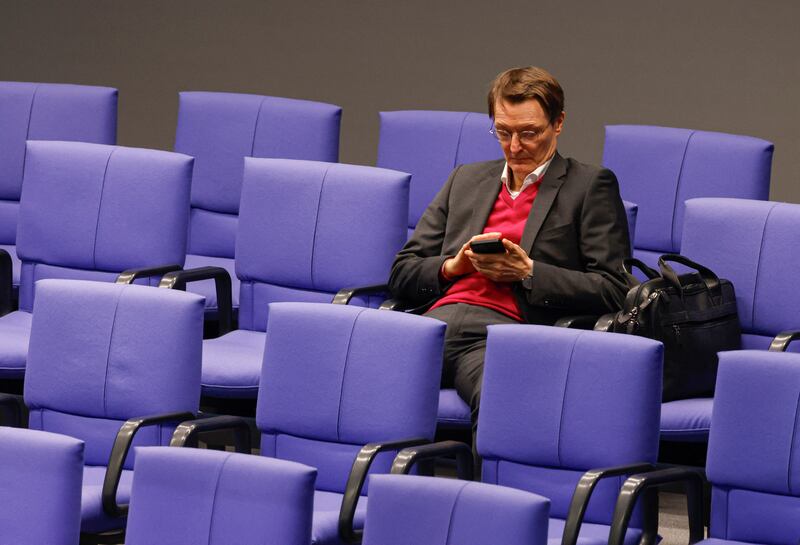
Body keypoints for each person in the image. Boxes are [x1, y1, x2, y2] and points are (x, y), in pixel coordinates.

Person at [388, 66, 631, 436]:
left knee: (500, 398)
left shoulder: (589, 186)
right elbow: (402, 271)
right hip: (434, 327)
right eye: (503, 132)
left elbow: (615, 289)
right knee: (361, 378)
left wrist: (529, 272)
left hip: (502, 336)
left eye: (529, 133)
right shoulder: (465, 179)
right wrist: (453, 267)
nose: (515, 147)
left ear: (558, 123)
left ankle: (483, 478)